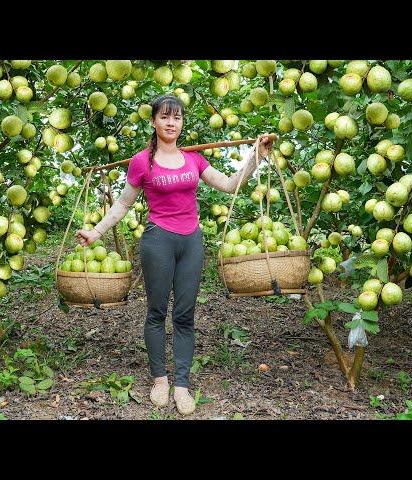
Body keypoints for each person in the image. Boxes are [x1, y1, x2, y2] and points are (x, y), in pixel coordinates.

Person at [75, 95, 275, 415]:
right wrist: (95, 232)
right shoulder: (143, 161)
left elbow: (229, 184)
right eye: (165, 117)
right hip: (158, 241)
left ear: (182, 124)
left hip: (191, 242)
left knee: (184, 315)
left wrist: (256, 156)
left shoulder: (193, 159)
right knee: (156, 312)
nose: (171, 123)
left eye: (177, 118)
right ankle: (159, 379)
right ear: (153, 121)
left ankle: (181, 384)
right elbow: (124, 204)